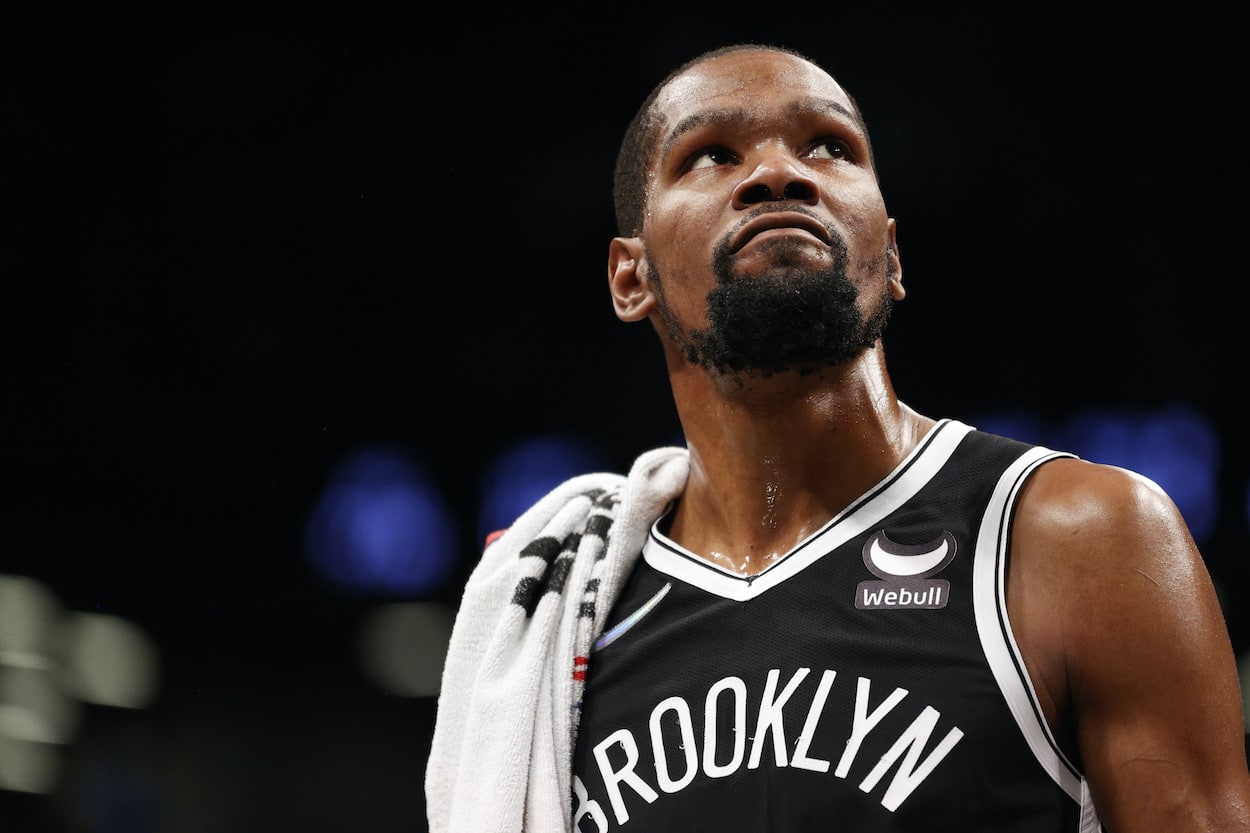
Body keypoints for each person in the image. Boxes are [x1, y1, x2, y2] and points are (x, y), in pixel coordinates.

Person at [424, 43, 1250, 832]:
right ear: (630, 278)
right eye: (710, 154)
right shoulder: (565, 619)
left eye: (828, 146)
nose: (778, 172)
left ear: (889, 252)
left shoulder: (1081, 538)